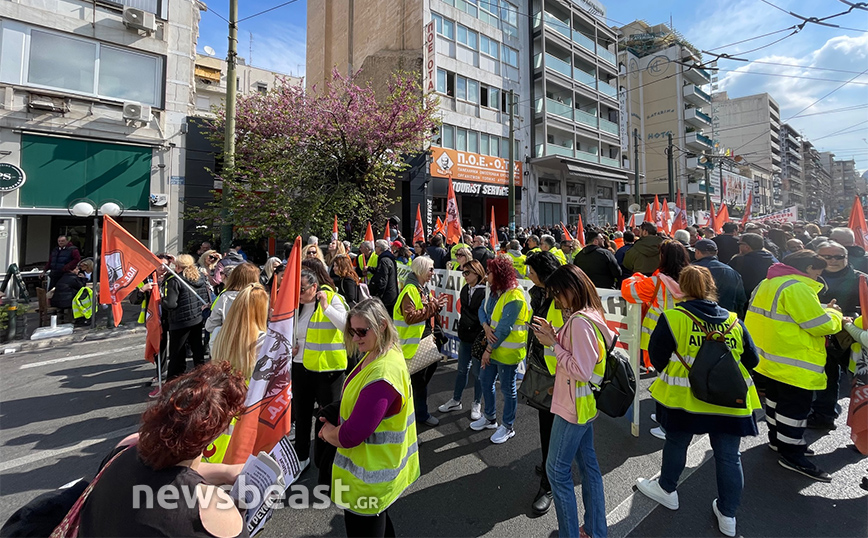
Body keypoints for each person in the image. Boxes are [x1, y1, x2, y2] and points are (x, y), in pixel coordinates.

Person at [636, 266, 761, 538]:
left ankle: (667, 489)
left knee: (677, 443)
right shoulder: (733, 320)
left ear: (682, 287)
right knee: (729, 457)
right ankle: (728, 515)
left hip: (685, 397)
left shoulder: (673, 317)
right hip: (730, 399)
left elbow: (657, 357)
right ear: (711, 287)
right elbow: (752, 360)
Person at [78, 362, 248, 538]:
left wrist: (227, 471)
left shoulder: (124, 449)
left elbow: (174, 471)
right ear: (215, 435)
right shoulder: (211, 509)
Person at [318, 299, 419, 537]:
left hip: (368, 480)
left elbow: (352, 434)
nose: (355, 338)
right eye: (352, 331)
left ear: (382, 325)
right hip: (373, 474)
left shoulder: (383, 372)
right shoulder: (380, 350)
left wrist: (327, 433)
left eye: (362, 331)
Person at [531, 265, 615, 538]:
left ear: (571, 289)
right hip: (584, 404)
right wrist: (556, 337)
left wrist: (552, 343)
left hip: (573, 407)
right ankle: (593, 529)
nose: (556, 299)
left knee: (557, 473)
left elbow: (580, 369)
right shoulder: (590, 314)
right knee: (588, 467)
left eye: (558, 293)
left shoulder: (580, 321)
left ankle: (572, 532)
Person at [745, 250, 843, 481]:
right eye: (817, 272)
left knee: (774, 403)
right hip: (793, 360)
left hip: (769, 358)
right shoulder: (797, 287)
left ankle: (778, 441)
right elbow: (820, 326)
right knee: (794, 410)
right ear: (807, 268)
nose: (819, 277)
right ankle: (792, 453)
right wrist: (834, 314)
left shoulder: (767, 283)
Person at [623, 240, 689, 436]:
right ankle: (663, 416)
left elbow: (630, 291)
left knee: (667, 378)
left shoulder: (658, 281)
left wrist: (635, 277)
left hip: (662, 333)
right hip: (685, 330)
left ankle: (668, 425)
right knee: (676, 375)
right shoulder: (691, 277)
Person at [293, 268, 348, 473]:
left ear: (314, 287)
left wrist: (326, 307)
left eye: (302, 290)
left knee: (328, 418)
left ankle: (327, 463)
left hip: (329, 370)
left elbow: (346, 327)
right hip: (301, 367)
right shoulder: (295, 306)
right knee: (302, 415)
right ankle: (301, 458)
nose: (298, 294)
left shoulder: (333, 299)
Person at [520, 251, 563, 516]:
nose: (527, 275)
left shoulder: (564, 296)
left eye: (531, 271)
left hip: (561, 372)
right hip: (540, 367)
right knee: (545, 424)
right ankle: (549, 466)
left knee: (555, 427)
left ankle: (549, 484)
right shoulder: (539, 293)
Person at [473, 256, 531, 443]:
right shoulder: (493, 291)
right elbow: (482, 310)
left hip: (507, 353)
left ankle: (508, 426)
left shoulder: (515, 296)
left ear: (498, 275)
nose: (486, 275)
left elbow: (504, 329)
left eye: (489, 272)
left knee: (507, 389)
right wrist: (485, 326)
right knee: (485, 381)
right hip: (493, 349)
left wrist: (487, 351)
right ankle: (490, 417)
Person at [810, 241, 865, 430]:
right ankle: (824, 416)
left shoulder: (862, 280)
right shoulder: (810, 278)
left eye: (839, 256)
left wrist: (851, 317)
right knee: (826, 378)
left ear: (847, 258)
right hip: (821, 336)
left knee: (862, 382)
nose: (833, 260)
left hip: (854, 339)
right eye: (828, 257)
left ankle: (863, 427)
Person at [394, 256, 447, 427]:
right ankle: (418, 416)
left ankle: (416, 415)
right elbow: (410, 317)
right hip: (413, 346)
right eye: (431, 269)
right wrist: (433, 306)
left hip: (420, 343)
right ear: (421, 270)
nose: (433, 273)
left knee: (419, 384)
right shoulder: (411, 290)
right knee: (418, 384)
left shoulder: (420, 288)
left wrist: (435, 305)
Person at [438, 260, 486, 420]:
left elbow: (480, 315)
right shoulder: (465, 289)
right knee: (461, 369)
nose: (464, 276)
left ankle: (477, 403)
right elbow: (464, 311)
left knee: (478, 373)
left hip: (478, 337)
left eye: (467, 273)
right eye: (463, 273)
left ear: (477, 273)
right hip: (465, 336)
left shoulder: (485, 291)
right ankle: (456, 399)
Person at [163, 254, 211, 381]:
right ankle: (201, 376)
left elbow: (171, 304)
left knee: (177, 353)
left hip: (180, 321)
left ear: (178, 266)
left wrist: (161, 299)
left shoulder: (175, 280)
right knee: (197, 349)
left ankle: (173, 381)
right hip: (197, 318)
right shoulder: (199, 276)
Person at [211, 284, 268, 380]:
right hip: (249, 392)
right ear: (261, 311)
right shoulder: (263, 339)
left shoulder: (217, 333)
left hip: (220, 389)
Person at [205, 263, 261, 347]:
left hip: (230, 345)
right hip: (254, 344)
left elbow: (210, 326)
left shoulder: (225, 297)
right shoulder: (261, 297)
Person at [692, 239, 747, 317]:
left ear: (697, 252)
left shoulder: (690, 271)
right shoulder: (732, 272)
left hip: (697, 318)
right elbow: (741, 299)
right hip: (725, 319)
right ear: (716, 252)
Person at [728, 233, 778, 298]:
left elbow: (728, 278)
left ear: (746, 247)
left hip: (746, 298)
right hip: (767, 297)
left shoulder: (739, 260)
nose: (738, 246)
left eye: (740, 244)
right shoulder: (773, 260)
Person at [369, 240, 399, 315]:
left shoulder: (384, 260)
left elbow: (382, 279)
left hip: (386, 296)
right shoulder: (388, 259)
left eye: (376, 247)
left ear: (380, 248)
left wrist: (378, 295)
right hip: (391, 294)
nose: (374, 249)